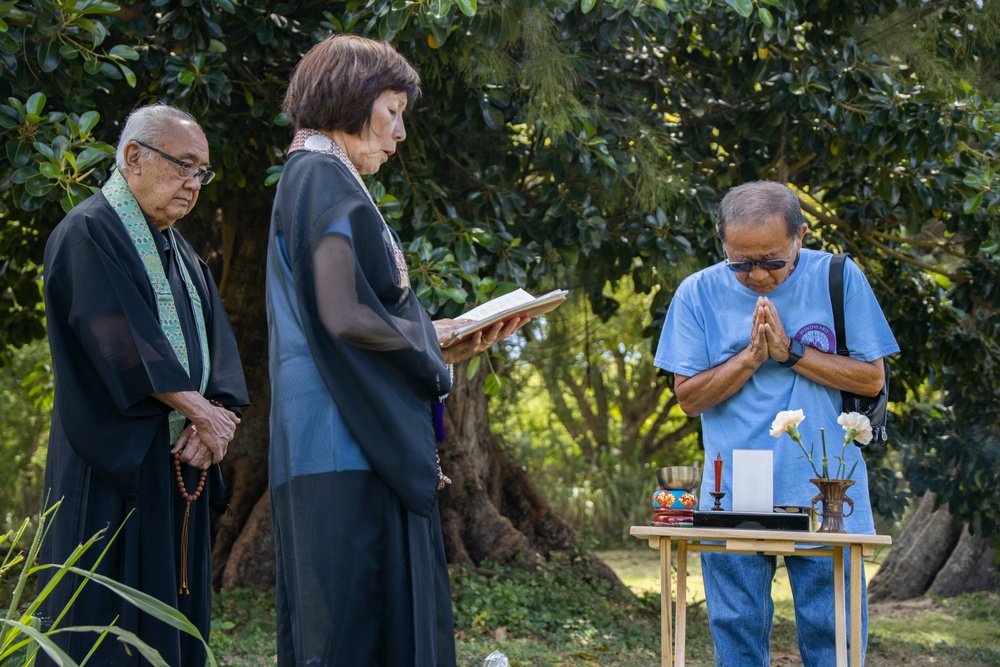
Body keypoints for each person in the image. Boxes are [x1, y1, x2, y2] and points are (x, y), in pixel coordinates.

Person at [266, 35, 525, 667]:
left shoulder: (314, 175)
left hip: (336, 433)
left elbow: (352, 315)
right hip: (344, 437)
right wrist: (426, 340)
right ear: (351, 99)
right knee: (356, 629)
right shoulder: (323, 178)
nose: (400, 132)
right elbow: (343, 315)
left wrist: (437, 342)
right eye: (392, 110)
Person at [39, 104, 249, 666]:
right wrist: (201, 414)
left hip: (180, 461)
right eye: (183, 165)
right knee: (103, 626)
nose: (193, 184)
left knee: (175, 625)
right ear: (133, 157)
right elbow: (117, 339)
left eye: (202, 172)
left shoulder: (183, 255)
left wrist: (214, 422)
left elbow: (218, 350)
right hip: (112, 466)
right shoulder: (88, 231)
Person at [654, 181, 898, 666]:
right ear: (723, 245)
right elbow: (688, 398)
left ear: (800, 238)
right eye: (741, 263)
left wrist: (790, 353)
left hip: (828, 491)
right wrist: (749, 358)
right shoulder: (697, 292)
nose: (758, 275)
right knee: (736, 634)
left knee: (836, 640)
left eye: (771, 260)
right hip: (731, 494)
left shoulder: (838, 277)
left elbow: (871, 379)